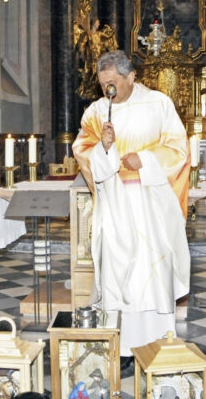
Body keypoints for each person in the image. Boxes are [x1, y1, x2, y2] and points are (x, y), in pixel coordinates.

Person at [72, 50, 191, 369]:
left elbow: (179, 149)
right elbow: (82, 150)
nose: (107, 90)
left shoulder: (158, 104)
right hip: (114, 206)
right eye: (103, 84)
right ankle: (123, 348)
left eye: (113, 83)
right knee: (119, 277)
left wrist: (145, 160)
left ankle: (157, 343)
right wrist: (105, 148)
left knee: (151, 277)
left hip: (150, 207)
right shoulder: (96, 112)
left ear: (132, 77)